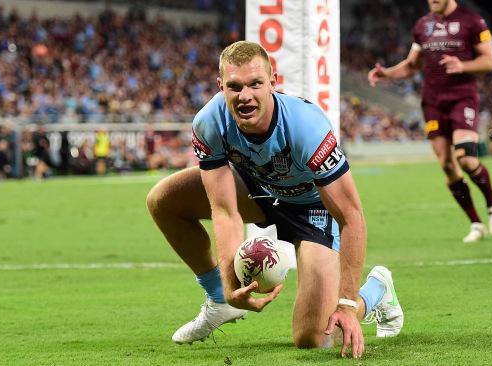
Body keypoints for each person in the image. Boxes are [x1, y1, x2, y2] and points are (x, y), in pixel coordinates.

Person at [146, 41, 404, 358]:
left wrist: (348, 302)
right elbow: (225, 211)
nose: (245, 96)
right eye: (235, 86)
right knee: (163, 200)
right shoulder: (209, 122)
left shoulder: (305, 127)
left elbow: (352, 217)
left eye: (255, 84)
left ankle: (377, 290)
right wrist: (229, 286)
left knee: (313, 337)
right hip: (259, 191)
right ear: (220, 86)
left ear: (273, 82)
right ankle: (217, 301)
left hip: (313, 208)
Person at [368, 0, 492, 243]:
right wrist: (386, 73)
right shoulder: (423, 25)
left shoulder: (472, 21)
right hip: (432, 103)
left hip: (462, 98)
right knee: (447, 165)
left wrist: (463, 65)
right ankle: (475, 223)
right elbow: (412, 65)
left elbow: (490, 61)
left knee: (465, 158)